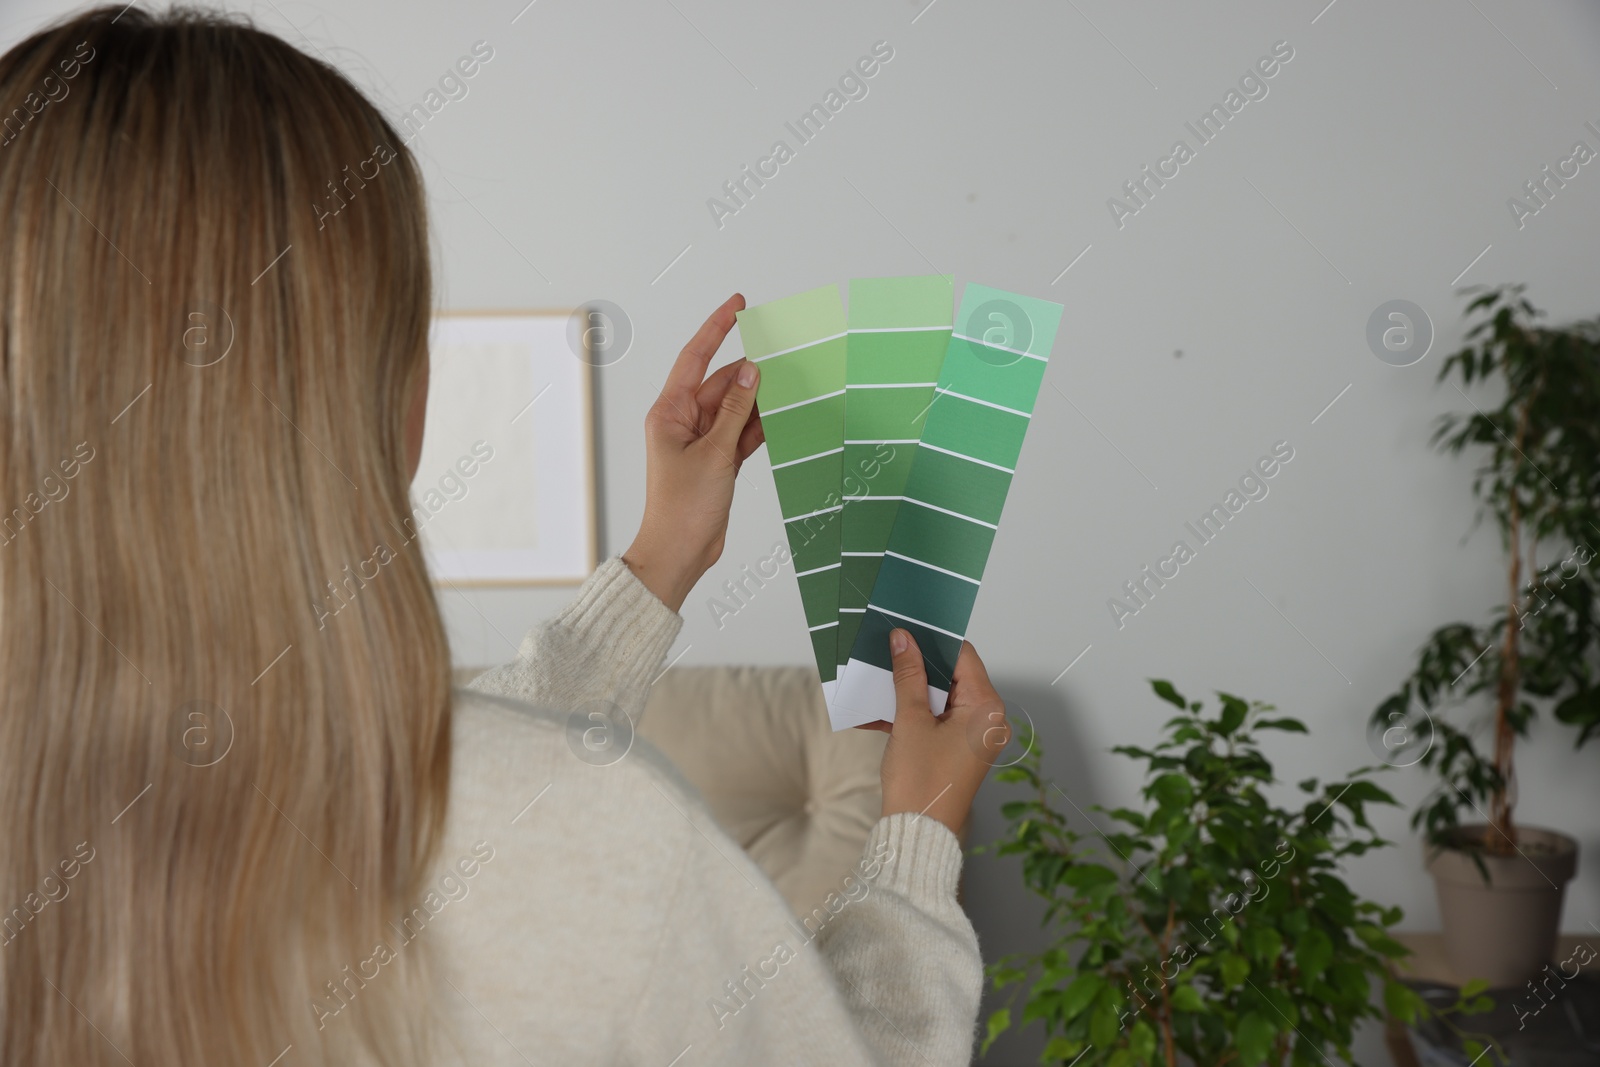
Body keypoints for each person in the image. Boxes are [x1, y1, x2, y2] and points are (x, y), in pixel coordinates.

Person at [0, 7, 1009, 1065]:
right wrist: (916, 831)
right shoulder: (600, 843)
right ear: (385, 395)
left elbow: (457, 780)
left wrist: (664, 555)